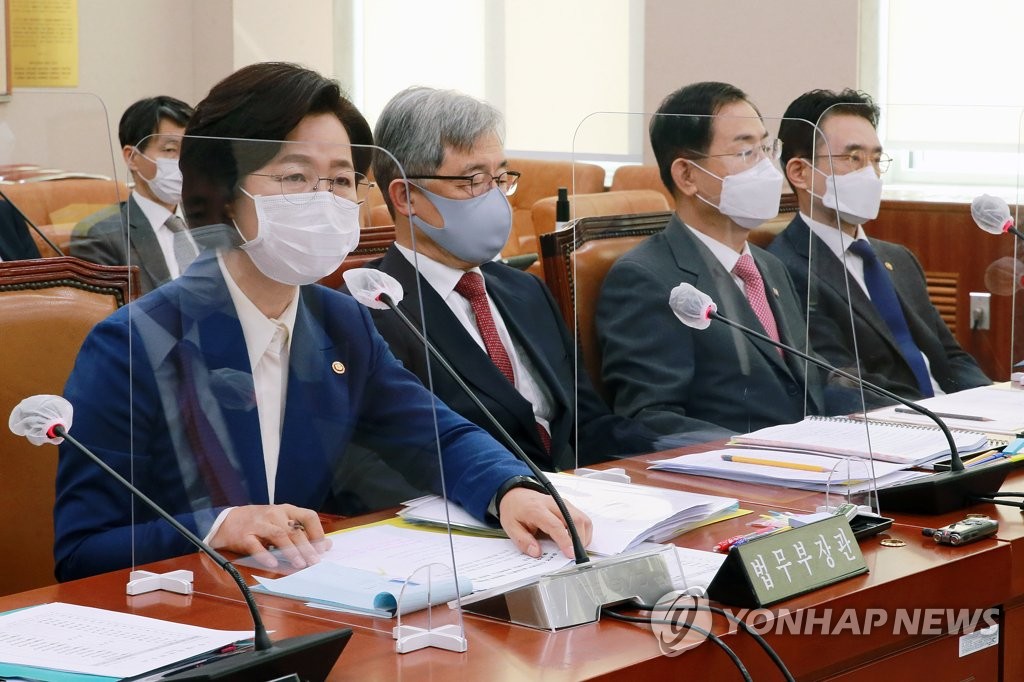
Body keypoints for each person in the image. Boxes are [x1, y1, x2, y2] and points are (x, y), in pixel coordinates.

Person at [54, 62, 590, 582]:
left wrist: (511, 488)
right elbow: (81, 549)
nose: (325, 200)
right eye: (295, 176)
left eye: (340, 180)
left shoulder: (343, 323)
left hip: (310, 604)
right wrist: (215, 526)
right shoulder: (135, 342)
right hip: (189, 621)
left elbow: (437, 435)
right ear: (221, 193)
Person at [360, 86, 664, 476]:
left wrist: (687, 457)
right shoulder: (376, 310)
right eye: (473, 181)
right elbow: (398, 463)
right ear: (405, 197)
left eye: (501, 178)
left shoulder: (525, 290)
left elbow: (589, 423)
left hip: (584, 503)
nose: (496, 198)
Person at [595, 81, 826, 436]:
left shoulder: (769, 267)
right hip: (737, 476)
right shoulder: (646, 278)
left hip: (819, 465)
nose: (767, 168)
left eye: (765, 147)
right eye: (745, 152)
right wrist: (761, 455)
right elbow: (652, 418)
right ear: (687, 176)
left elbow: (811, 388)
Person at [768, 89, 990, 401]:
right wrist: (939, 421)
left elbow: (952, 358)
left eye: (875, 159)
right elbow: (843, 382)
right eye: (853, 158)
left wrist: (995, 408)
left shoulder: (898, 258)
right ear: (800, 172)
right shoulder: (783, 269)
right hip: (897, 427)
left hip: (962, 427)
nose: (870, 173)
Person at [70, 96, 195, 294]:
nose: (183, 161)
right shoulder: (100, 237)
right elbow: (112, 319)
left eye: (189, 149)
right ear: (132, 157)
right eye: (170, 149)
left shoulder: (213, 219)